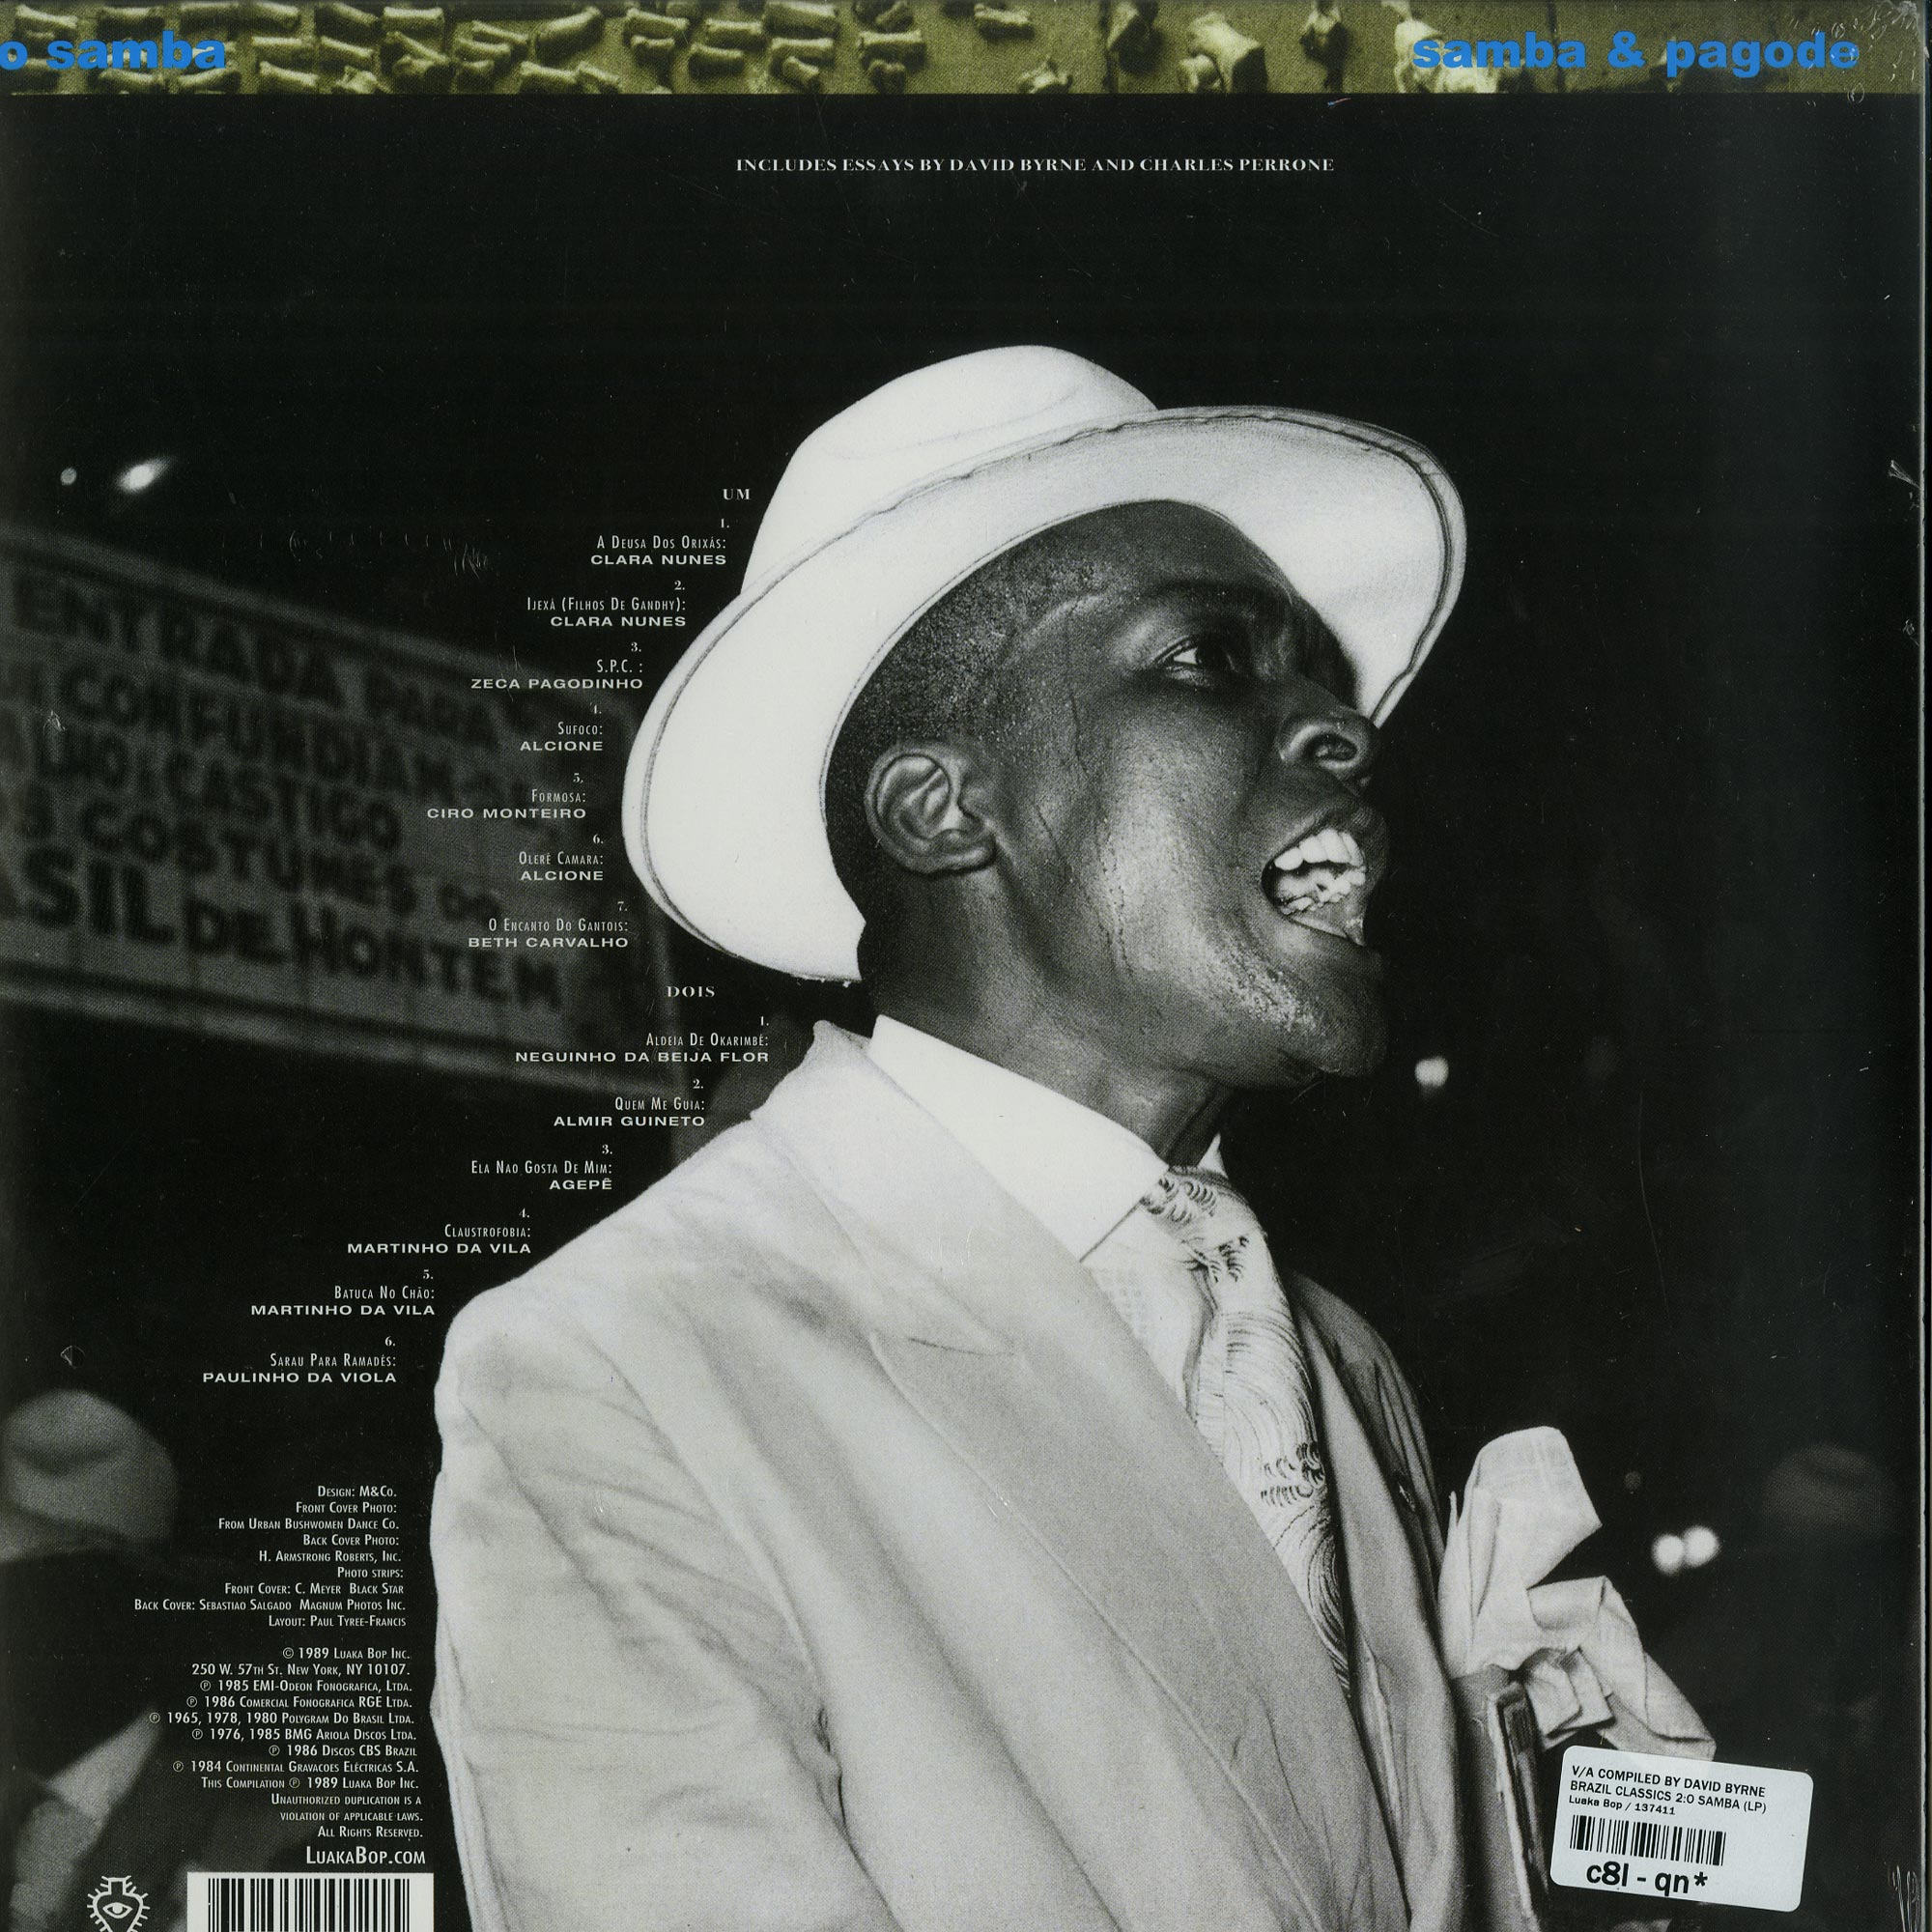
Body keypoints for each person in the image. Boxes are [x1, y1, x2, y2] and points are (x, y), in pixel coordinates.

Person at [431, 345, 1474, 1930]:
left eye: (1322, 675)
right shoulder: (622, 1361)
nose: (1344, 730)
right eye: (1211, 658)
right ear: (942, 810)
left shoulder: (1345, 1361)